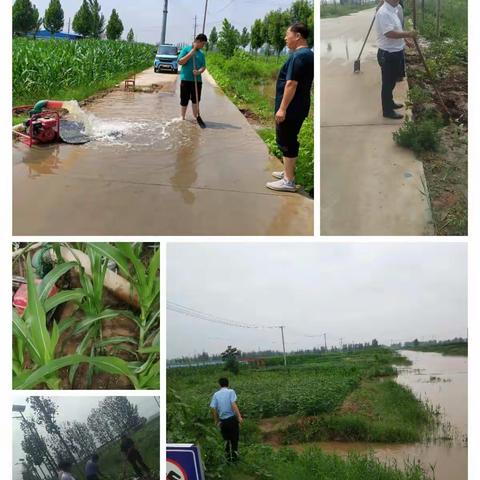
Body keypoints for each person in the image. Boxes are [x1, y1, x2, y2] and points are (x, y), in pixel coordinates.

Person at [266, 22, 314, 193]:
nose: (285, 38)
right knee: (290, 138)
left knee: (286, 140)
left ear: (298, 36)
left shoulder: (299, 56)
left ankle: (289, 181)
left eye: (288, 34)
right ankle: (288, 172)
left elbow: (291, 83)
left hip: (291, 108)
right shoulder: (308, 54)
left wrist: (282, 108)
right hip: (300, 105)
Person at [376, 0, 417, 119]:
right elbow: (389, 33)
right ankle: (387, 111)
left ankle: (390, 103)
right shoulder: (383, 12)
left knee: (393, 81)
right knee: (387, 84)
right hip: (388, 54)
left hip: (396, 52)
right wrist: (408, 34)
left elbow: (397, 29)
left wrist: (405, 41)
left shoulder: (394, 10)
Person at [210, 377, 243, 463]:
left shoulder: (216, 394)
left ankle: (228, 460)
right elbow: (233, 404)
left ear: (219, 385)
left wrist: (216, 420)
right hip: (232, 420)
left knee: (226, 441)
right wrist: (239, 416)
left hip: (223, 421)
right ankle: (235, 459)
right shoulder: (231, 392)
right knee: (234, 440)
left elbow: (213, 408)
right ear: (228, 384)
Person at [178, 34, 208, 120]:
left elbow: (203, 66)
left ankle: (196, 117)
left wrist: (199, 72)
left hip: (197, 81)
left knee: (196, 100)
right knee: (184, 99)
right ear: (198, 41)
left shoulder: (201, 54)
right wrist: (191, 52)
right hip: (186, 79)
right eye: (202, 44)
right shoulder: (186, 49)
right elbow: (180, 62)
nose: (203, 46)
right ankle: (182, 118)